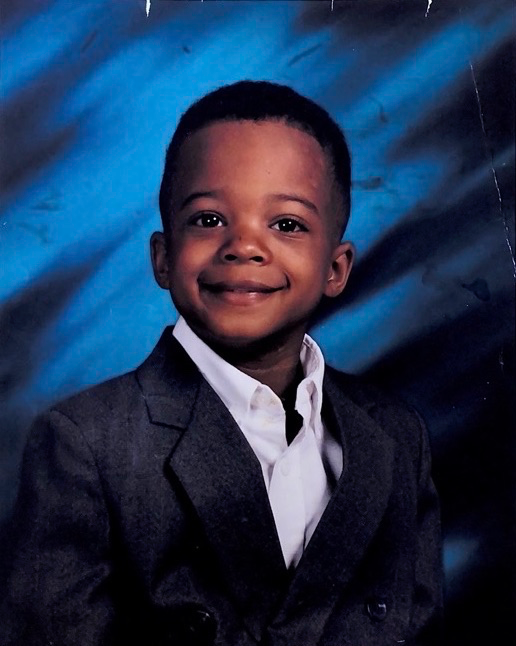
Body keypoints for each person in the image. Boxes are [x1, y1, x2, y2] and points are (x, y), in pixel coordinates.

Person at [0, 81, 443, 646]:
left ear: (336, 268)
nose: (244, 246)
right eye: (209, 220)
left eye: (286, 224)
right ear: (162, 258)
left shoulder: (395, 436)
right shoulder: (87, 445)